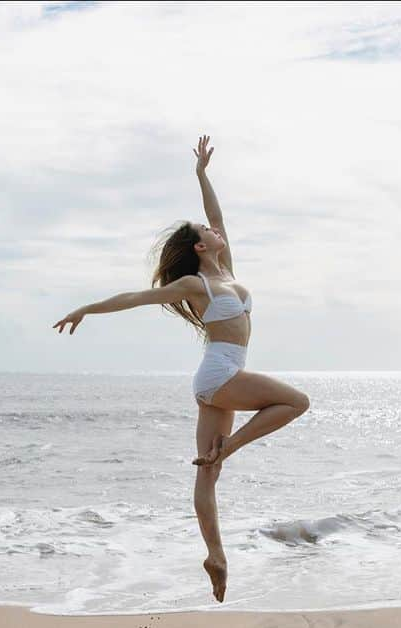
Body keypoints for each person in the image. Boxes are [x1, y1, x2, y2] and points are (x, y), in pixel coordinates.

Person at [52, 135, 310, 602]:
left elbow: (218, 216)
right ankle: (228, 448)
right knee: (296, 402)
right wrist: (87, 307)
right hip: (221, 375)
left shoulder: (225, 270)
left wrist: (202, 176)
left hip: (217, 379)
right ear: (197, 247)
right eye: (208, 234)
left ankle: (216, 555)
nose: (217, 233)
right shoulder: (195, 283)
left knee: (206, 476)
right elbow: (137, 297)